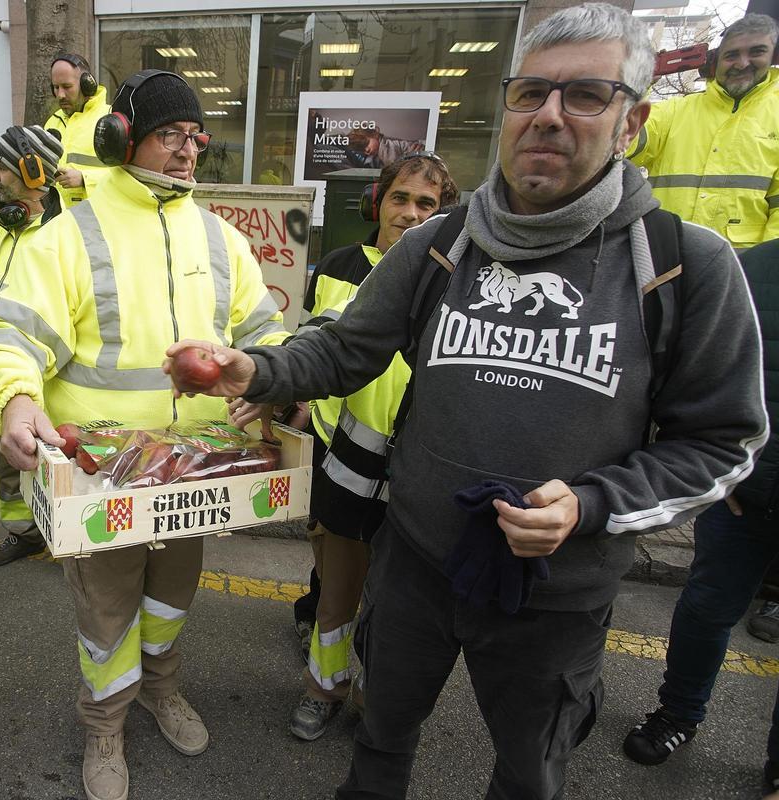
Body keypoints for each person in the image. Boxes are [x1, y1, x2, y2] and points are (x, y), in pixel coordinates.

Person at [161, 5, 768, 798]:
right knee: (379, 745)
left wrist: (591, 505)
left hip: (557, 598)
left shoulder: (686, 264)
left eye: (585, 94)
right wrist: (255, 370)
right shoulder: (440, 243)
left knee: (528, 773)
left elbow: (723, 442)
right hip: (415, 566)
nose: (548, 116)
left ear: (633, 121)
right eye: (530, 93)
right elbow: (346, 347)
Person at [0, 70, 287, 800]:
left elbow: (267, 335)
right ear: (122, 138)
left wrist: (273, 384)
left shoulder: (221, 239)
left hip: (191, 476)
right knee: (107, 616)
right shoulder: (67, 239)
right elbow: (12, 339)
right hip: (101, 478)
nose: (186, 152)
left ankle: (161, 689)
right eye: (168, 135)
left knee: (172, 599)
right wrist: (15, 402)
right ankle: (104, 725)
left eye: (194, 138)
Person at [274, 153, 459, 742]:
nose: (409, 213)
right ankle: (322, 690)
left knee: (399, 606)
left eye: (426, 205)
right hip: (343, 462)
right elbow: (313, 344)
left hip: (415, 476)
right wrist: (293, 400)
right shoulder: (336, 265)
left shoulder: (456, 277)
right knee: (336, 592)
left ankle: (375, 699)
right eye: (400, 198)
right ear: (376, 202)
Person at [622, 236, 779, 768]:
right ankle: (678, 715)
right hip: (745, 494)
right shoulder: (748, 269)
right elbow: (693, 380)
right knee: (708, 609)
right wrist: (721, 472)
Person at [0, 124, 63, 567]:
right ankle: (24, 531)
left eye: (3, 166)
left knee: (29, 467)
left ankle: (45, 533)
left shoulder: (60, 238)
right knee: (3, 466)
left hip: (35, 382)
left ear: (34, 173)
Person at [629, 13, 778, 250]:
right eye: (731, 55)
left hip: (740, 265)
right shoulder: (676, 111)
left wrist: (765, 266)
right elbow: (623, 144)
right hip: (666, 252)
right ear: (716, 60)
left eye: (756, 52)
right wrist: (636, 87)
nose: (742, 63)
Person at [46, 54, 112, 207]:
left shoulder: (110, 120)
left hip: (98, 222)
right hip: (59, 222)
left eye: (67, 87)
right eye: (56, 88)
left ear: (87, 85)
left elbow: (128, 177)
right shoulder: (52, 122)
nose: (60, 95)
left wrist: (85, 179)